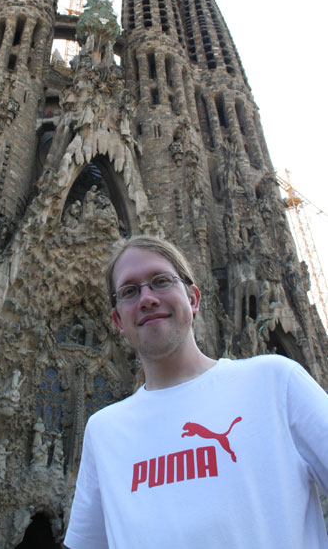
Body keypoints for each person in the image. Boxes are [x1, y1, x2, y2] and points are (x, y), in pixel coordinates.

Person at [64, 235, 328, 549]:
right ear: (118, 320)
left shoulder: (275, 382)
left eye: (161, 281)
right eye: (130, 291)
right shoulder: (103, 430)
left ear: (193, 299)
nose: (147, 298)